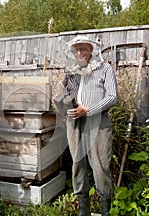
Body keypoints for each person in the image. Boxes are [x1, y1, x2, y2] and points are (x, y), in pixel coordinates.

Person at [63, 35, 117, 216]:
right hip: (74, 124)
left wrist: (88, 110)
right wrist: (64, 104)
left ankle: (105, 210)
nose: (80, 52)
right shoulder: (71, 72)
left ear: (91, 50)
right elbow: (67, 95)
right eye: (76, 49)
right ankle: (83, 210)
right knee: (78, 165)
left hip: (98, 124)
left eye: (83, 48)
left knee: (101, 166)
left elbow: (112, 97)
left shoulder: (105, 69)